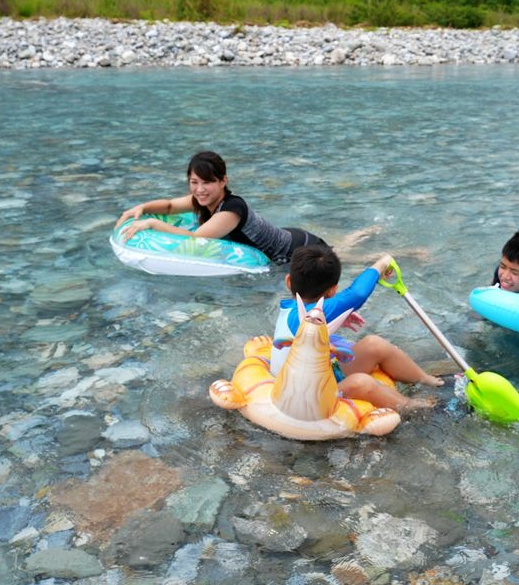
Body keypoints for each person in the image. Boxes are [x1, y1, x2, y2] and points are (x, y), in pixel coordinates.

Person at [272, 244, 443, 411]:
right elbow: (357, 294)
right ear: (333, 291)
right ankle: (413, 406)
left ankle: (429, 380)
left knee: (374, 344)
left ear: (288, 281)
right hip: (305, 398)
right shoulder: (305, 314)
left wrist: (333, 319)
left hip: (317, 377)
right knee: (362, 382)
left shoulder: (290, 309)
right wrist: (382, 264)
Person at [114, 150, 326, 264]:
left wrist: (152, 224)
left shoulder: (232, 210)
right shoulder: (201, 198)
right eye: (194, 182)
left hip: (295, 250)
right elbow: (169, 207)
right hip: (286, 235)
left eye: (207, 182)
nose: (199, 189)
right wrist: (141, 208)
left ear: (223, 181)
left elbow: (195, 239)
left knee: (340, 257)